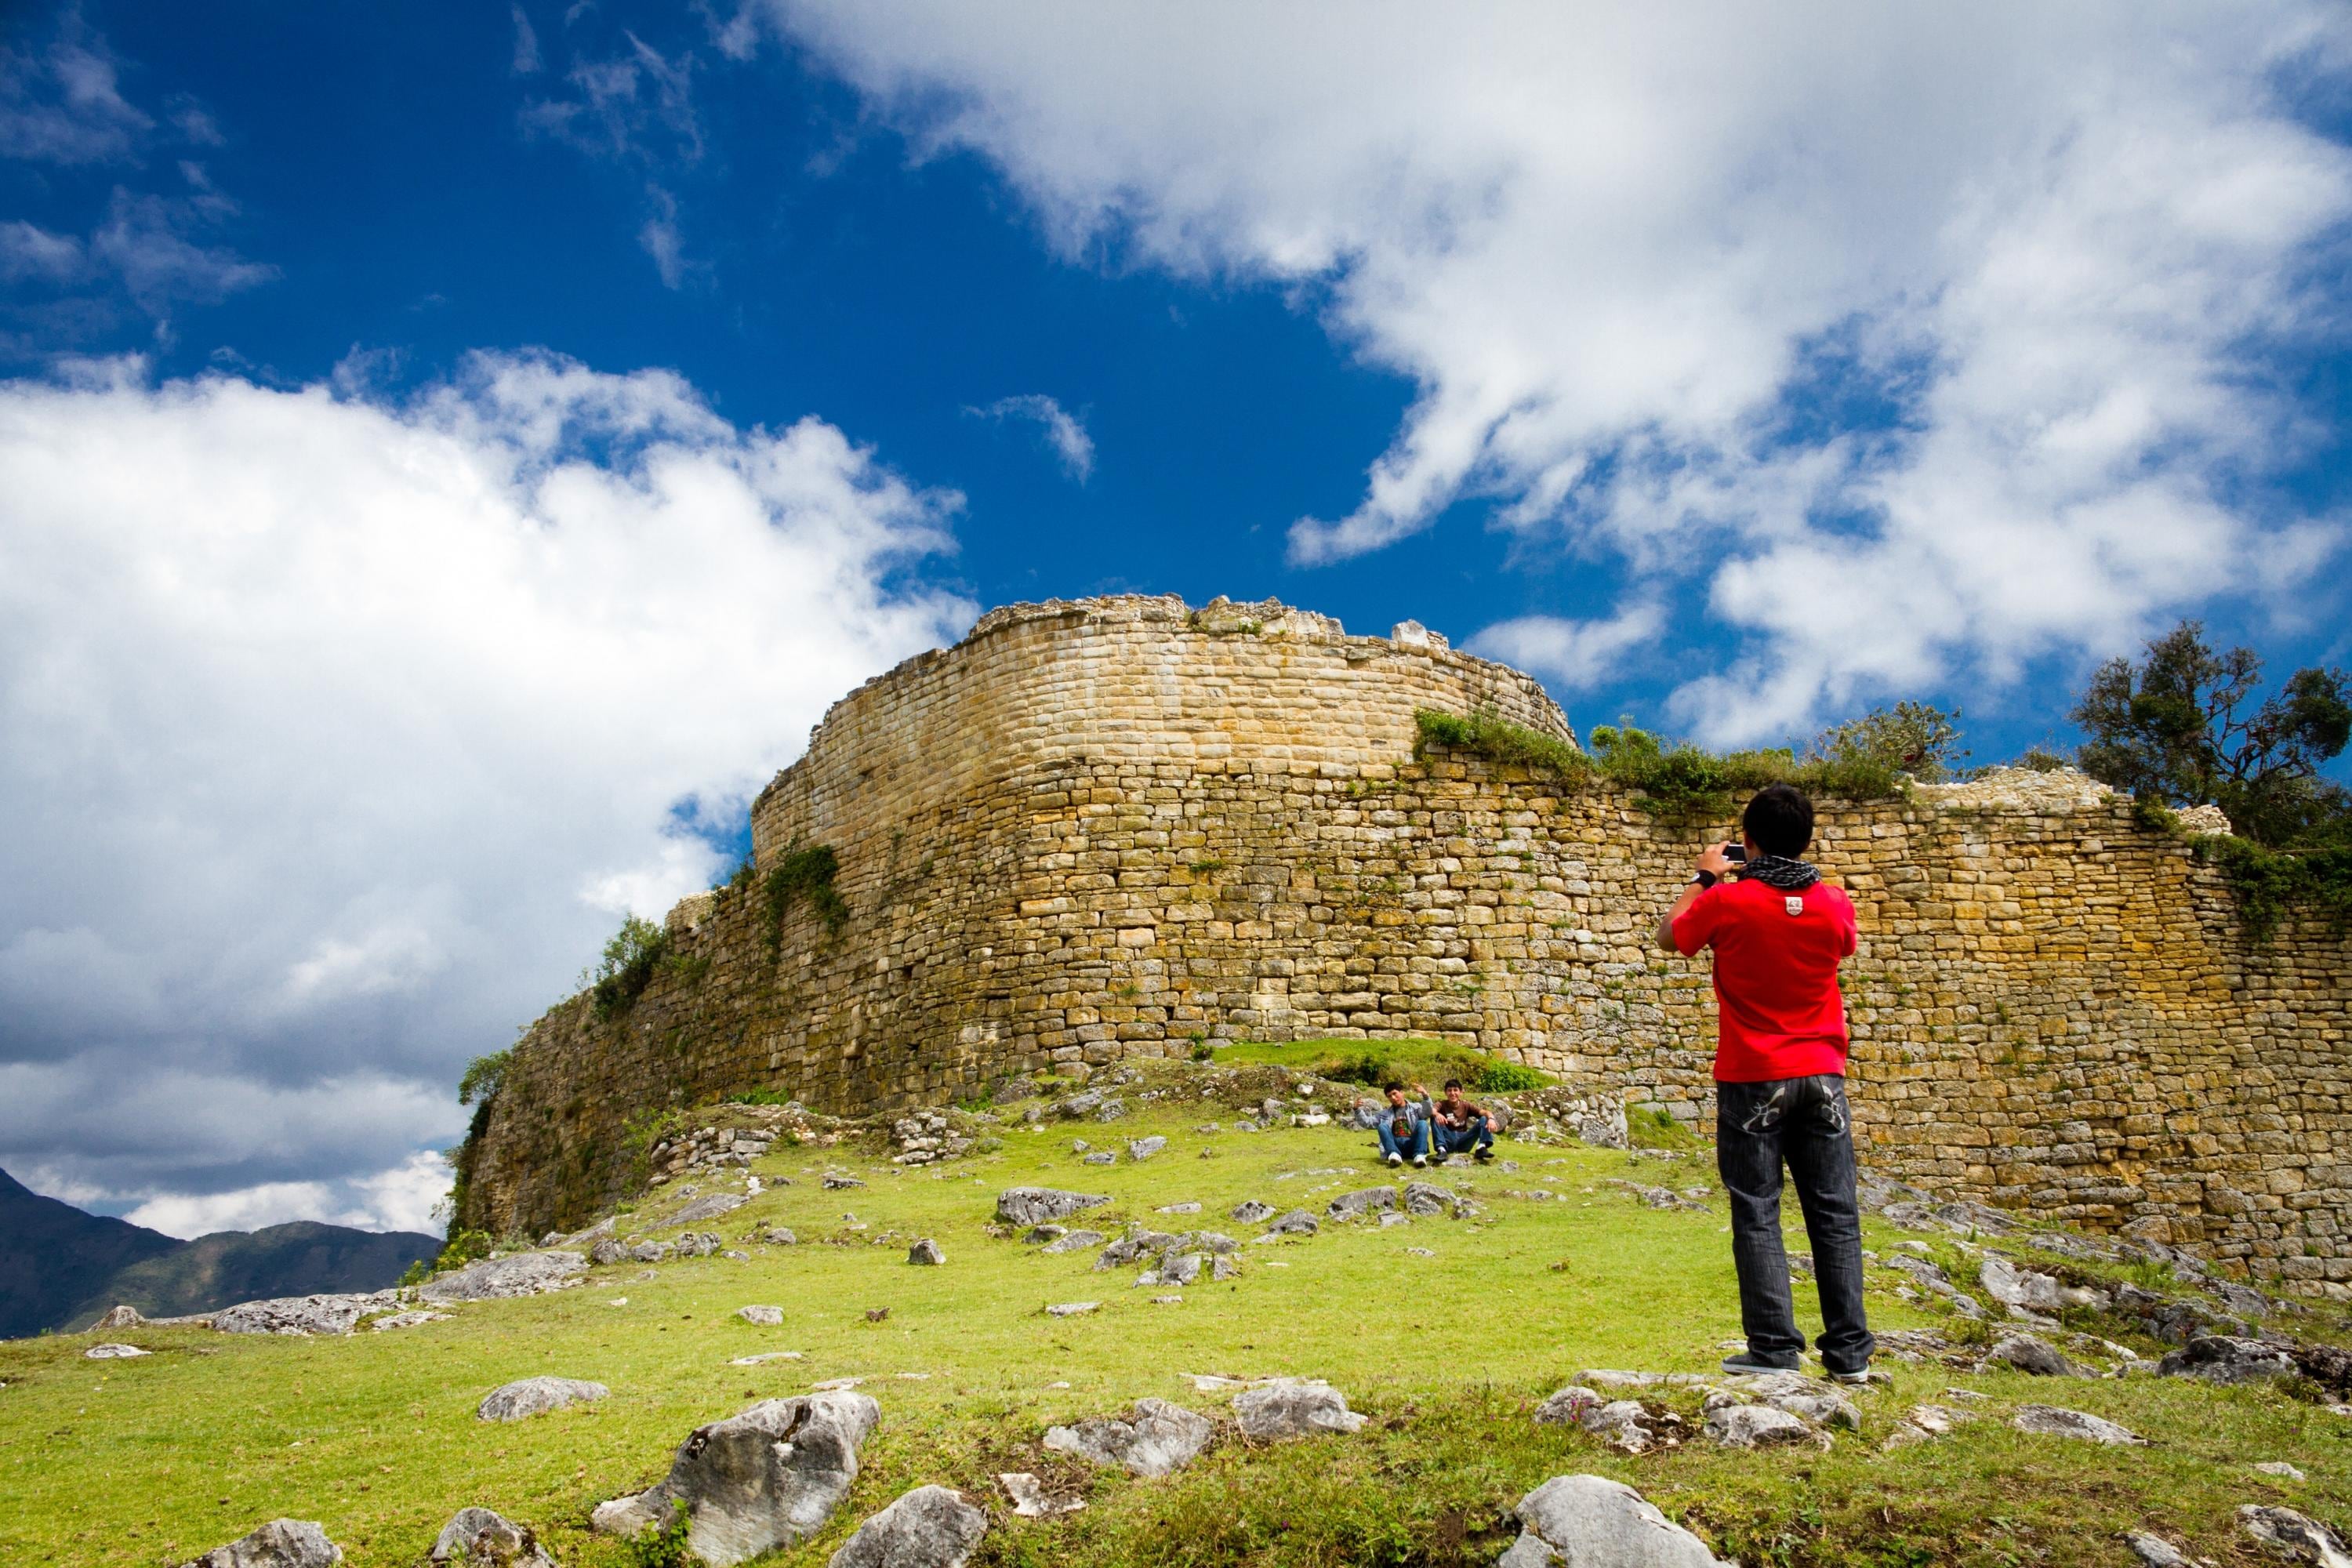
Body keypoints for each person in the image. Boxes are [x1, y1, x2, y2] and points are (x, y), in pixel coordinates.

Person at [1655, 782, 1873, 1383]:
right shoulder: (1833, 901)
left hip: (1754, 1075)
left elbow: (1670, 937)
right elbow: (1844, 944)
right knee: (1835, 1212)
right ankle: (1850, 1354)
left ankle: (1775, 1349)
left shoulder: (1728, 902)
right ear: (1806, 842)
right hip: (1824, 1075)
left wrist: (1703, 878)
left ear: (1746, 842)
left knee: (1757, 1209)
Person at [1351, 1083, 1428, 1167]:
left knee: (1423, 1123)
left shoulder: (1416, 1108)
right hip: (1395, 1145)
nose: (1393, 1098)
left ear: (1402, 1093)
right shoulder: (1385, 1114)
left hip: (1413, 1143)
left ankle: (1419, 1155)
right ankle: (1394, 1155)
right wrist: (1357, 1110)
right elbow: (1367, 1122)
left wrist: (1425, 1096)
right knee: (1382, 1126)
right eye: (1389, 1096)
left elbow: (1428, 1112)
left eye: (1395, 1094)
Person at [1418, 1079, 1495, 1163]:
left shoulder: (1466, 1105)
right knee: (1434, 1117)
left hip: (1464, 1141)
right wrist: (1437, 1114)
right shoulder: (1442, 1104)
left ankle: (1481, 1148)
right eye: (1449, 1090)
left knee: (1484, 1118)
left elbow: (1485, 1112)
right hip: (1448, 1140)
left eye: (1455, 1090)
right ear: (1445, 1093)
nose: (1452, 1093)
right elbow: (1432, 1110)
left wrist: (1491, 1119)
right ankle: (1441, 1150)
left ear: (1461, 1092)